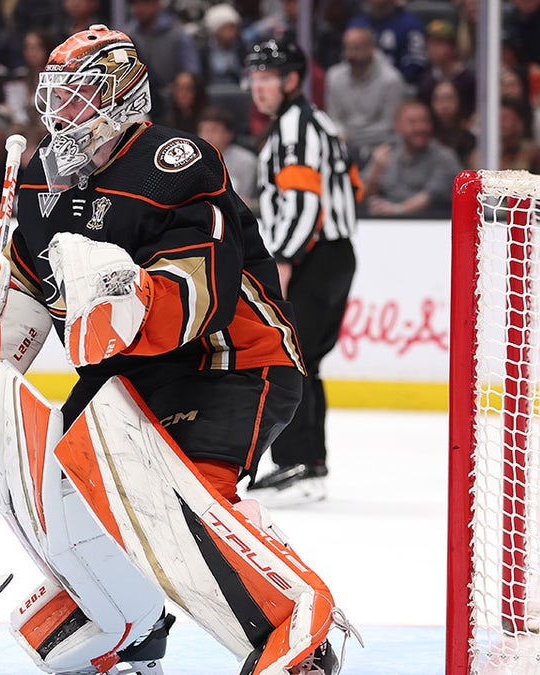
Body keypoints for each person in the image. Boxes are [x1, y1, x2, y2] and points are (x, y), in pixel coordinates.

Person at [0, 24, 350, 674]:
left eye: (80, 95)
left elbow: (197, 296)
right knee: (50, 484)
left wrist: (128, 296)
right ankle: (125, 623)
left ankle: (295, 635)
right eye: (56, 95)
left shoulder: (176, 161)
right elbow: (29, 284)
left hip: (230, 363)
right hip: (130, 373)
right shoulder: (42, 177)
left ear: (122, 96)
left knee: (180, 501)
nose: (61, 112)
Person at [248, 36, 360, 504]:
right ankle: (309, 465)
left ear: (292, 80)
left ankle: (298, 463)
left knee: (287, 357)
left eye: (267, 77)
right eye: (254, 77)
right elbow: (351, 185)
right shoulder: (319, 123)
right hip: (333, 253)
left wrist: (286, 260)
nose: (258, 87)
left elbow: (301, 201)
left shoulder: (295, 128)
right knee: (305, 359)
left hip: (310, 256)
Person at [362, 98, 462, 216]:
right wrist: (375, 172)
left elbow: (429, 197)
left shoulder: (445, 157)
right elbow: (361, 196)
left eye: (425, 121)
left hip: (435, 223)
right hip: (390, 225)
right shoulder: (387, 154)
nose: (420, 127)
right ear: (397, 126)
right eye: (412, 122)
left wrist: (397, 210)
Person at [325, 25, 404, 164]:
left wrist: (352, 136)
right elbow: (334, 117)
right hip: (344, 142)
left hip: (380, 144)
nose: (350, 55)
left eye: (356, 48)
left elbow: (388, 125)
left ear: (371, 49)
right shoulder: (334, 76)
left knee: (384, 157)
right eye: (347, 48)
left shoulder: (391, 80)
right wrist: (342, 135)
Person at [346, 0, 427, 85]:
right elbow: (346, 59)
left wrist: (388, 80)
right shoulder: (357, 24)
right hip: (358, 84)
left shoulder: (411, 24)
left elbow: (416, 63)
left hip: (399, 85)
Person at [197, 104, 257, 208]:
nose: (207, 136)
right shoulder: (193, 160)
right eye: (204, 130)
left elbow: (246, 200)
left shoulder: (246, 161)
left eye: (214, 130)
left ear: (229, 134)